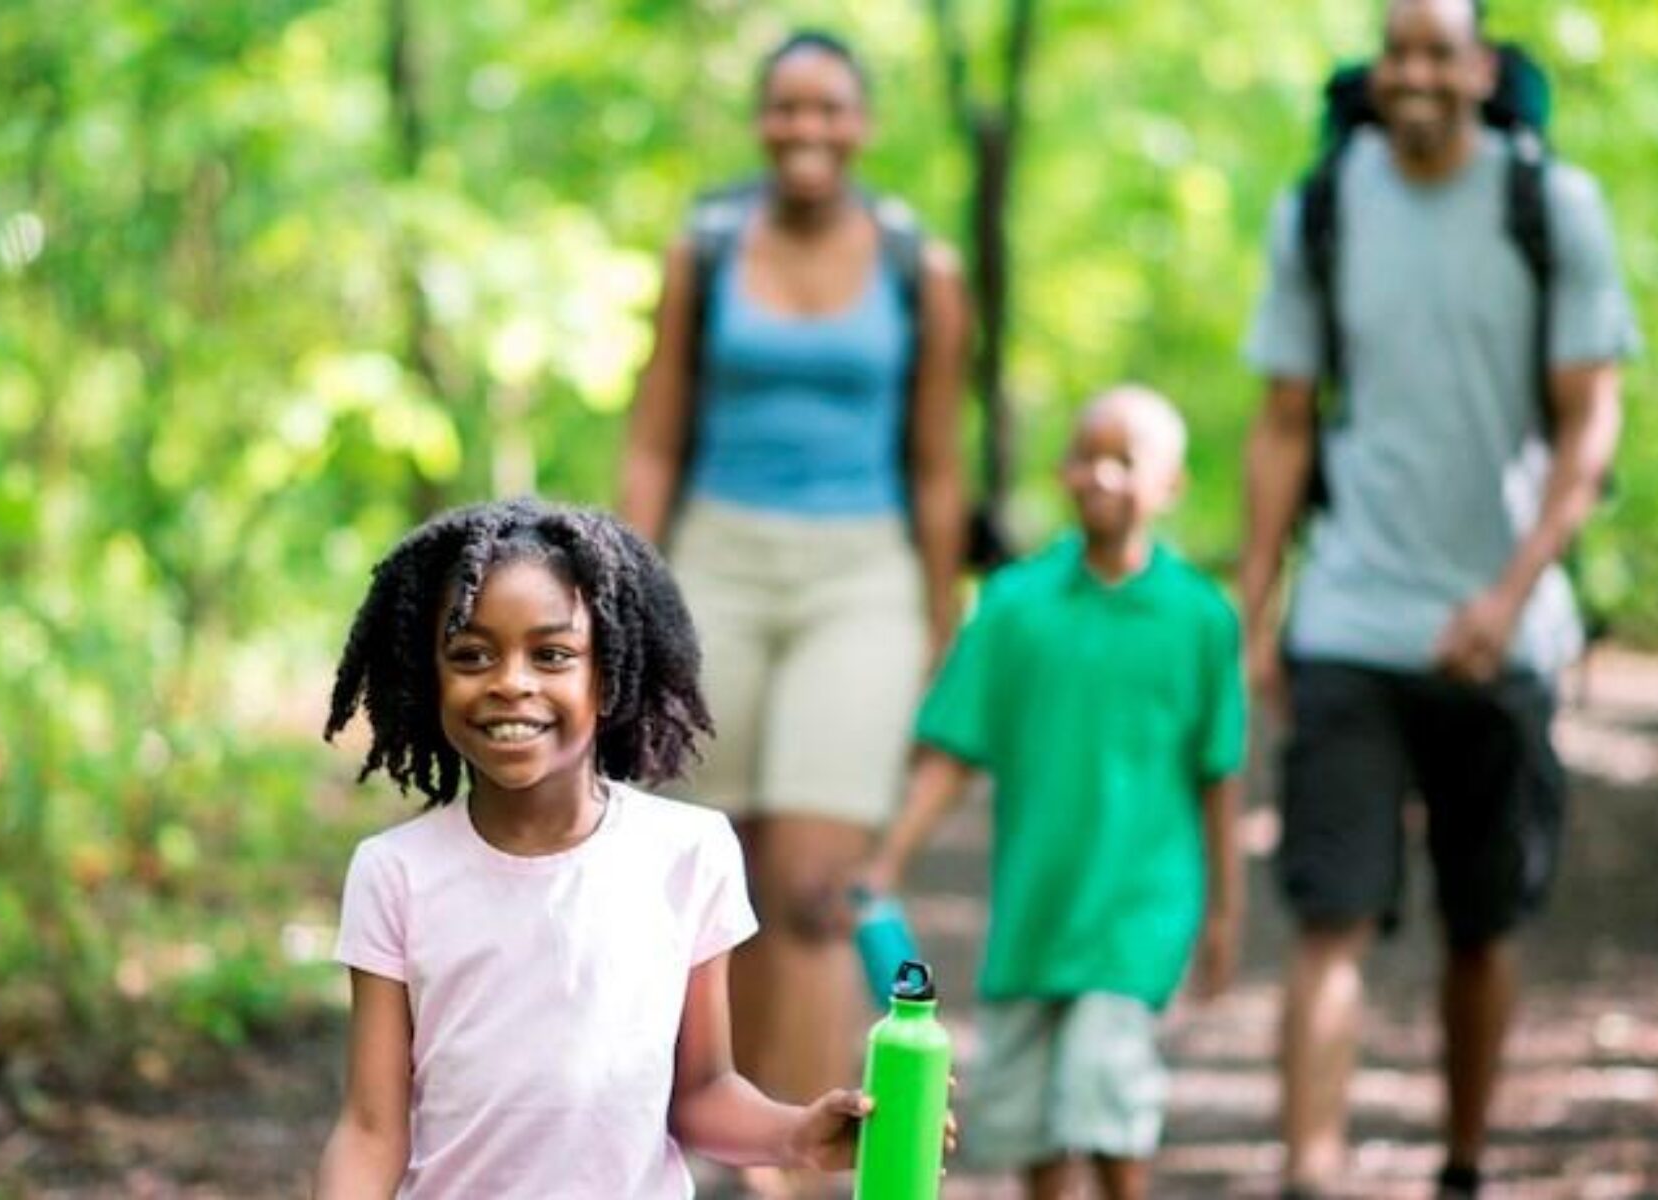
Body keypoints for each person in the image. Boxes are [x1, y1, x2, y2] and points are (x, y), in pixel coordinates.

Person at [1240, 1, 1639, 1195]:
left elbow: (1590, 418)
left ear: (1478, 66)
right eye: (1396, 50)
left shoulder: (1550, 207)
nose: (1413, 73)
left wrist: (1510, 596)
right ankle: (1313, 1173)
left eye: (1436, 52)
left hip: (1505, 635)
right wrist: (1258, 610)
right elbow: (1282, 418)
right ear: (1378, 65)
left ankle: (1461, 1164)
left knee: (1483, 923)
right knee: (1329, 914)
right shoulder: (1320, 207)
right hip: (1351, 618)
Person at [314, 500, 887, 1199]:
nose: (511, 682)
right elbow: (372, 1129)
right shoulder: (395, 872)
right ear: (430, 677)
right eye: (471, 655)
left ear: (610, 673)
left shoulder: (689, 854)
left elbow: (699, 1093)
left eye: (552, 654)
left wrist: (797, 1133)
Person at [617, 25, 971, 1154]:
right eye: (786, 109)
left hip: (860, 570)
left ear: (862, 125)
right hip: (714, 559)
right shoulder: (706, 248)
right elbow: (656, 434)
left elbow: (936, 462)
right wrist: (627, 589)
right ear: (763, 122)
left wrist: (938, 619)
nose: (806, 130)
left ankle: (804, 1167)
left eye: (830, 110)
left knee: (818, 883)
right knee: (711, 870)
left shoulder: (924, 267)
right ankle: (721, 1130)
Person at [857, 386, 1247, 1200]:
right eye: (1085, 456)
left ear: (1169, 485)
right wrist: (886, 863)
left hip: (1138, 908)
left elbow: (1219, 773)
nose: (1099, 475)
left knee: (1105, 1105)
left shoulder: (1201, 617)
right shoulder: (1014, 607)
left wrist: (1223, 911)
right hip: (1034, 909)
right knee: (1032, 1122)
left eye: (1124, 461)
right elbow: (953, 753)